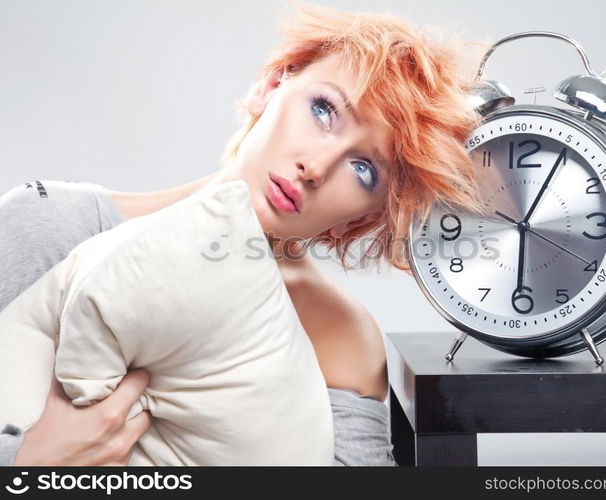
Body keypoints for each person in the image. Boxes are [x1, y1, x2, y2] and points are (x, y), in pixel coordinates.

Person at [0, 1, 482, 466]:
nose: (315, 167)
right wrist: (32, 463)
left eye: (363, 169)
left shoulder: (339, 334)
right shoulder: (53, 226)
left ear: (358, 220)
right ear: (270, 87)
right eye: (323, 110)